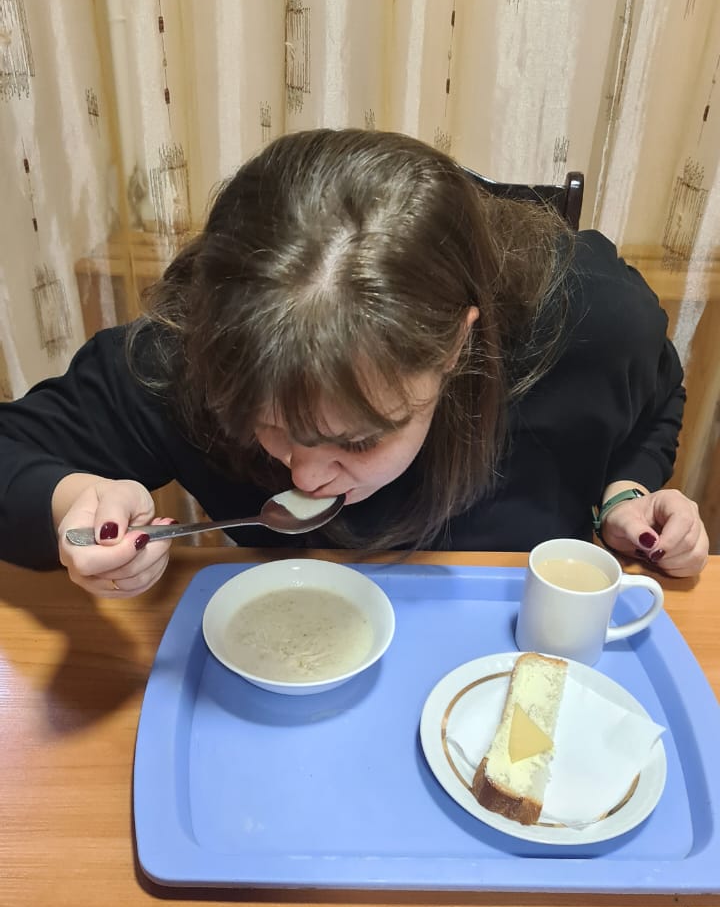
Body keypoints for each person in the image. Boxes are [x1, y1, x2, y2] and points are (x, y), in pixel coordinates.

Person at [0, 129, 709, 598]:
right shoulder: (188, 358)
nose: (305, 477)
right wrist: (74, 504)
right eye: (271, 427)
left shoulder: (587, 321)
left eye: (360, 440)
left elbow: (657, 398)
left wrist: (624, 494)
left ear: (457, 343)